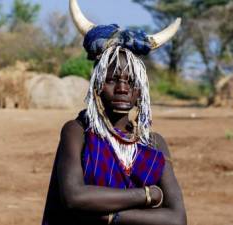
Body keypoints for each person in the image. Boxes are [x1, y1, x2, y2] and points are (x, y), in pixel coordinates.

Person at [41, 1, 187, 224]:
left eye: (131, 81)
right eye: (111, 80)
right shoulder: (78, 132)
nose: (122, 88)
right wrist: (148, 195)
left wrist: (110, 216)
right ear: (97, 85)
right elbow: (74, 196)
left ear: (141, 91)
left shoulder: (153, 143)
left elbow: (176, 219)